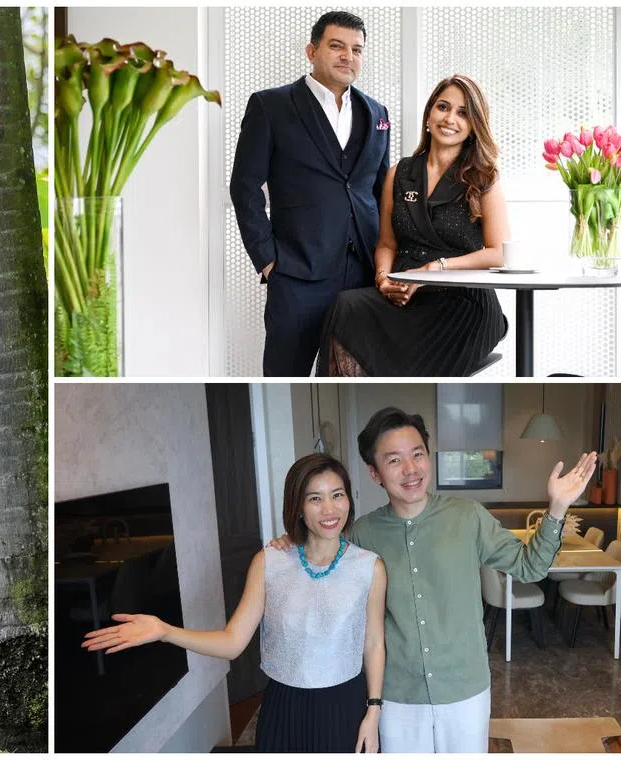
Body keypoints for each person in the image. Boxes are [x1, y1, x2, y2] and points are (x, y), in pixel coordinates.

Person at [271, 407, 596, 752]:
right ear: (375, 472)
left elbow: (530, 567)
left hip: (464, 688)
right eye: (394, 460)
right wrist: (292, 542)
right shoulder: (363, 533)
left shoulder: (467, 517)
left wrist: (557, 508)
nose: (410, 470)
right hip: (398, 695)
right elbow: (325, 569)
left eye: (418, 455)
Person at [84, 454, 387, 753]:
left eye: (337, 495)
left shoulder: (368, 567)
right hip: (284, 707)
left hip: (345, 706)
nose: (330, 509)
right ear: (297, 507)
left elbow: (373, 643)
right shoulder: (269, 563)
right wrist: (165, 631)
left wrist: (373, 711)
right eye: (315, 499)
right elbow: (232, 642)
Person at [229, 10, 391, 377]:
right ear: (312, 50)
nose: (348, 56)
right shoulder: (270, 106)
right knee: (286, 376)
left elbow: (383, 192)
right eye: (337, 46)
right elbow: (244, 185)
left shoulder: (377, 113)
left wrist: (387, 263)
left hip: (363, 276)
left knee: (356, 378)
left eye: (357, 49)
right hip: (297, 274)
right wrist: (268, 260)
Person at [318, 75, 509, 376]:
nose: (450, 119)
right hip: (403, 291)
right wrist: (383, 278)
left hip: (463, 302)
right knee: (346, 306)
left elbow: (498, 253)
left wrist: (436, 270)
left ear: (474, 126)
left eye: (462, 113)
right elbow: (386, 244)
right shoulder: (400, 173)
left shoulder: (484, 178)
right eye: (443, 107)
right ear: (429, 114)